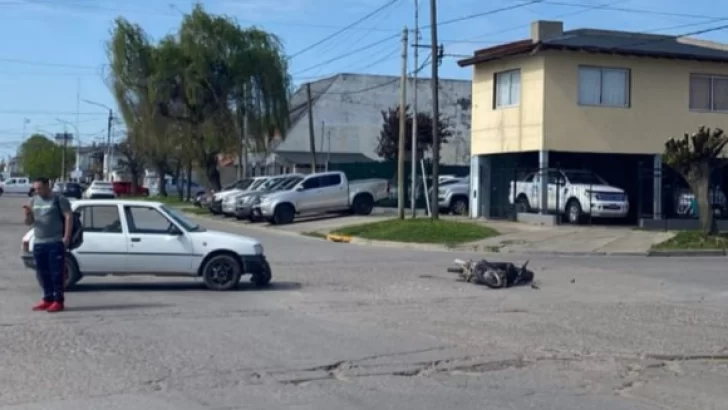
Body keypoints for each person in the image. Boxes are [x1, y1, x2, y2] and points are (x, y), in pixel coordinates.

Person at [23, 177, 73, 313]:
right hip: (39, 242)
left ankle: (58, 301)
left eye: (39, 188)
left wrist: (66, 237)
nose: (37, 191)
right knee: (42, 273)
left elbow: (68, 216)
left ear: (47, 186)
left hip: (55, 242)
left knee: (56, 273)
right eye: (35, 189)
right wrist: (28, 214)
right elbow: (29, 223)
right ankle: (47, 299)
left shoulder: (59, 199)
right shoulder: (33, 200)